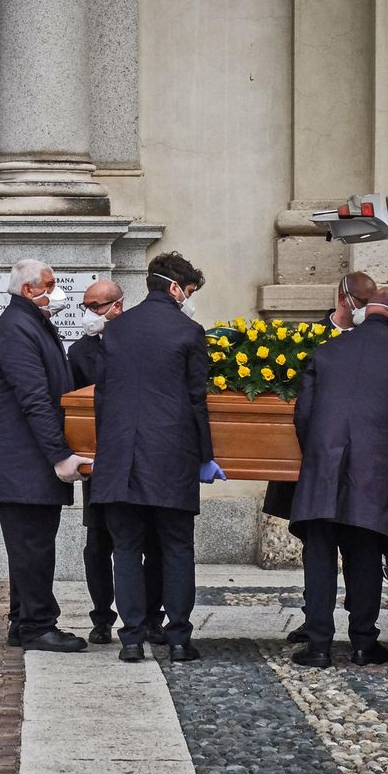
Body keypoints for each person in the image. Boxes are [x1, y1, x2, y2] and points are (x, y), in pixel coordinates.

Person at [288, 287, 388, 668]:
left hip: (321, 472)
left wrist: (321, 456)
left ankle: (318, 646)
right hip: (373, 473)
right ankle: (363, 643)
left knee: (320, 557)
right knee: (364, 557)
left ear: (364, 312)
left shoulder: (327, 351)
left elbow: (303, 416)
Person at [92, 252, 225, 663]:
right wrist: (206, 455)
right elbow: (195, 401)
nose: (188, 298)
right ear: (174, 288)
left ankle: (131, 638)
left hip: (120, 458)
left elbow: (103, 398)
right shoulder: (189, 332)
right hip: (171, 456)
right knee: (177, 547)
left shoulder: (115, 331)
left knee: (126, 548)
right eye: (188, 291)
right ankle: (179, 637)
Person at [0, 258, 92, 653]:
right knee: (34, 547)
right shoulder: (18, 328)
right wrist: (60, 456)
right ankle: (38, 625)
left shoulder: (30, 323)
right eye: (50, 283)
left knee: (29, 546)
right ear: (28, 290)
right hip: (23, 463)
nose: (57, 290)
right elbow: (35, 400)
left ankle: (23, 621)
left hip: (23, 462)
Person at [264, 271, 378, 643]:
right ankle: (315, 620)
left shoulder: (374, 339)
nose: (364, 310)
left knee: (357, 546)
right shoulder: (306, 340)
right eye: (360, 302)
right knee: (317, 547)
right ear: (342, 297)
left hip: (357, 463)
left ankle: (355, 625)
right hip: (314, 461)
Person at [71, 280, 166, 646]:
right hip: (101, 459)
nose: (91, 313)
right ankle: (101, 617)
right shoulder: (81, 352)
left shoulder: (141, 342)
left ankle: (152, 617)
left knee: (152, 542)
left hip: (145, 458)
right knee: (99, 543)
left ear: (118, 305)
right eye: (87, 307)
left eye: (97, 306)